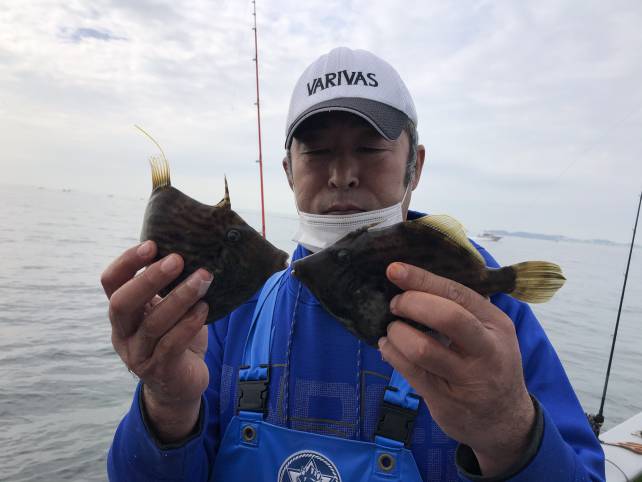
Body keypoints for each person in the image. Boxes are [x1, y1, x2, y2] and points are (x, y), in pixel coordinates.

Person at [103, 47, 605, 481]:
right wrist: (167, 405)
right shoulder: (234, 302)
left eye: (369, 149)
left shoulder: (484, 309)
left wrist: (508, 430)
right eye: (317, 152)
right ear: (289, 171)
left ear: (415, 167)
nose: (342, 174)